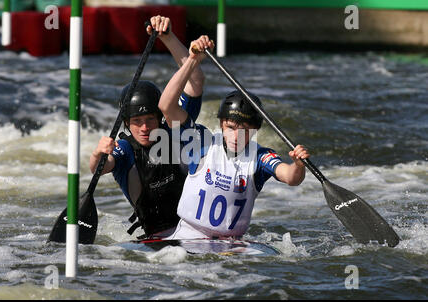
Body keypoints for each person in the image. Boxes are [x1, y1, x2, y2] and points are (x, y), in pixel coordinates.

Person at [157, 36, 311, 240]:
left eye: (245, 130)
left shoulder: (260, 157)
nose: (236, 136)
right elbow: (166, 106)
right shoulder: (201, 141)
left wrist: (298, 165)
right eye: (230, 127)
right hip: (188, 236)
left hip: (231, 247)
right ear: (221, 124)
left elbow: (291, 178)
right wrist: (193, 60)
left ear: (256, 130)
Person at [89, 16, 206, 239]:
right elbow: (100, 168)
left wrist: (169, 37)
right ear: (126, 123)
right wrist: (97, 153)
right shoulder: (124, 149)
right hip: (158, 239)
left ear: (160, 118)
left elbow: (195, 81)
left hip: (197, 231)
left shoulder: (175, 129)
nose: (144, 128)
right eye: (136, 122)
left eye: (150, 120)